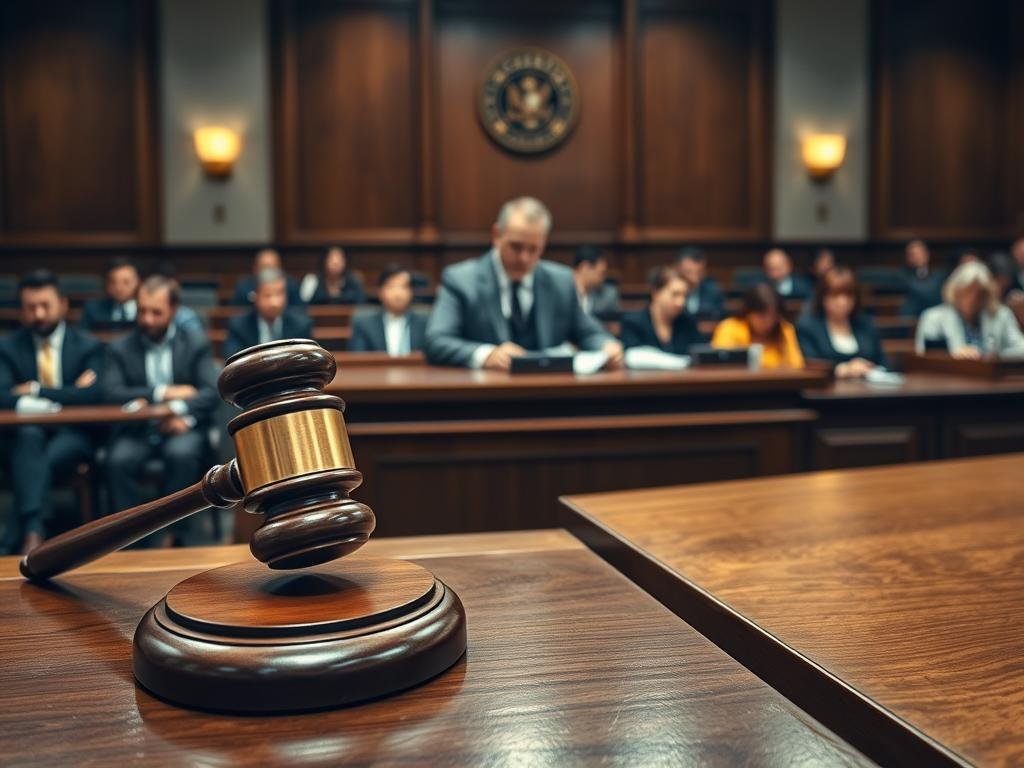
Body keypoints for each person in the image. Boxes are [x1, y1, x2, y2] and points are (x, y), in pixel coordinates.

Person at [425, 197, 623, 370]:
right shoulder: (461, 280)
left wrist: (606, 345)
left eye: (534, 249)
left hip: (549, 396)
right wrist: (486, 355)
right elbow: (436, 341)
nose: (524, 259)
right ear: (496, 235)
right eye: (516, 247)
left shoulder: (561, 280)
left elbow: (588, 332)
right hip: (485, 398)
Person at [103, 276, 220, 545]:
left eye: (156, 312)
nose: (147, 319)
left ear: (174, 311)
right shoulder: (120, 347)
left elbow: (210, 393)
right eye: (142, 310)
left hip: (182, 426)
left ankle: (175, 535)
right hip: (138, 429)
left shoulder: (194, 342)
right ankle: (131, 537)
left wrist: (178, 411)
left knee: (182, 454)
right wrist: (161, 393)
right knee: (117, 460)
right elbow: (111, 392)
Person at [0, 271, 103, 554]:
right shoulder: (7, 347)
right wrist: (70, 392)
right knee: (29, 437)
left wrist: (35, 390)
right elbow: (2, 395)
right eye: (30, 307)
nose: (39, 313)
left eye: (45, 305)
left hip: (73, 434)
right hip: (25, 434)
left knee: (37, 459)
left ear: (63, 304)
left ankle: (21, 532)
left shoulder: (87, 345)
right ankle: (33, 529)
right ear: (21, 311)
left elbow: (94, 395)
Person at [915, 261, 1024, 359]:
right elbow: (922, 355)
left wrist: (998, 356)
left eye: (979, 293)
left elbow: (1021, 349)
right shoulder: (933, 318)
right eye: (968, 291)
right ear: (955, 291)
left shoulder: (1001, 314)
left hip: (991, 377)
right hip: (951, 377)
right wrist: (953, 355)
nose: (973, 298)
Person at [796, 266, 888, 378]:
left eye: (849, 295)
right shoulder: (808, 327)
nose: (843, 301)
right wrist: (843, 370)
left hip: (868, 391)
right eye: (835, 295)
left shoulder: (866, 324)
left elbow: (884, 364)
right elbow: (810, 366)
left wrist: (869, 369)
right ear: (822, 297)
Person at [222, 268, 314, 359]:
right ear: (255, 296)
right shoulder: (238, 326)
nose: (274, 302)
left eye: (279, 294)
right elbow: (232, 361)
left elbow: (308, 361)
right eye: (267, 295)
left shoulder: (301, 325)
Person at [711, 284, 805, 369]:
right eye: (762, 316)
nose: (769, 321)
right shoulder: (729, 328)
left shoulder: (785, 329)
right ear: (749, 312)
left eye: (773, 316)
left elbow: (796, 365)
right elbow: (720, 365)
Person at [620, 266, 702, 355]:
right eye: (675, 294)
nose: (681, 302)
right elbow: (632, 356)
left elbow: (701, 351)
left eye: (684, 296)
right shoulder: (633, 323)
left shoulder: (687, 322)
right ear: (656, 293)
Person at [349, 266, 427, 355]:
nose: (398, 293)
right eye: (391, 286)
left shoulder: (425, 321)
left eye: (404, 287)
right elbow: (358, 359)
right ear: (380, 292)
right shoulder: (364, 323)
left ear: (411, 291)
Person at [79, 258, 140, 331]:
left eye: (126, 282)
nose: (119, 288)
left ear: (138, 282)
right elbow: (82, 336)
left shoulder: (147, 310)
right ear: (106, 283)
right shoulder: (93, 309)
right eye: (113, 282)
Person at [232, 248, 303, 306]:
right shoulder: (243, 286)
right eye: (264, 268)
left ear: (280, 269)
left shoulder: (290, 285)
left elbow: (299, 310)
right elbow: (235, 311)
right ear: (255, 268)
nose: (268, 272)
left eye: (272, 268)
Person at [300, 246, 367, 305]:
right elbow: (302, 304)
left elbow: (361, 304)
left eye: (339, 260)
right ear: (324, 261)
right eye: (332, 259)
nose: (336, 263)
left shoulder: (354, 280)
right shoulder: (311, 279)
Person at [675, 247, 724, 321]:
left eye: (699, 273)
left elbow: (719, 319)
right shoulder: (670, 292)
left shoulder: (714, 291)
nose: (693, 279)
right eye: (688, 272)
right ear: (678, 269)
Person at [572, 245, 619, 318]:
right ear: (585, 268)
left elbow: (614, 327)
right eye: (601, 273)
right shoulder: (561, 291)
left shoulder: (608, 295)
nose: (603, 278)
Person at [900, 239, 944, 317]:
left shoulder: (939, 275)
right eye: (912, 254)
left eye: (919, 253)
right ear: (907, 258)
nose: (917, 257)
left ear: (927, 254)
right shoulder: (903, 276)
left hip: (935, 315)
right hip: (912, 317)